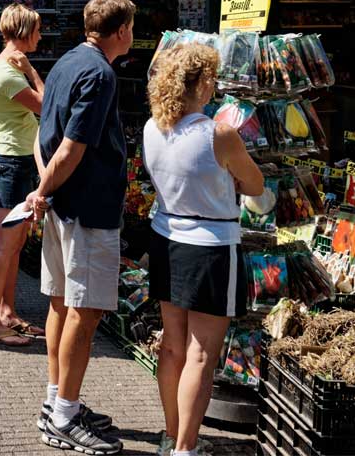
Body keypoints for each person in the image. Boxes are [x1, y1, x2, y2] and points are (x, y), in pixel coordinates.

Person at [26, 0, 136, 455]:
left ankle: (57, 401)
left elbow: (43, 136)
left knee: (59, 303)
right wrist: (44, 191)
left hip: (61, 205)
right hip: (86, 208)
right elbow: (73, 146)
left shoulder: (69, 61)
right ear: (120, 32)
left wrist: (43, 188)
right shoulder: (101, 73)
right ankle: (66, 416)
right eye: (131, 26)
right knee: (84, 312)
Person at [143, 43, 263, 456]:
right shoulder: (219, 133)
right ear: (203, 82)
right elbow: (256, 185)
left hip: (166, 238)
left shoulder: (151, 127)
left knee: (173, 347)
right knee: (200, 355)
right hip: (211, 246)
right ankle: (186, 449)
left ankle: (172, 435)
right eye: (212, 76)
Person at [0, 4, 47, 345]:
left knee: (15, 244)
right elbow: (48, 106)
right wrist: (33, 71)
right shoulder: (10, 72)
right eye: (36, 29)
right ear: (22, 32)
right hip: (12, 163)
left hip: (16, 160)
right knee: (5, 247)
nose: (40, 35)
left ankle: (6, 311)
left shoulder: (8, 66)